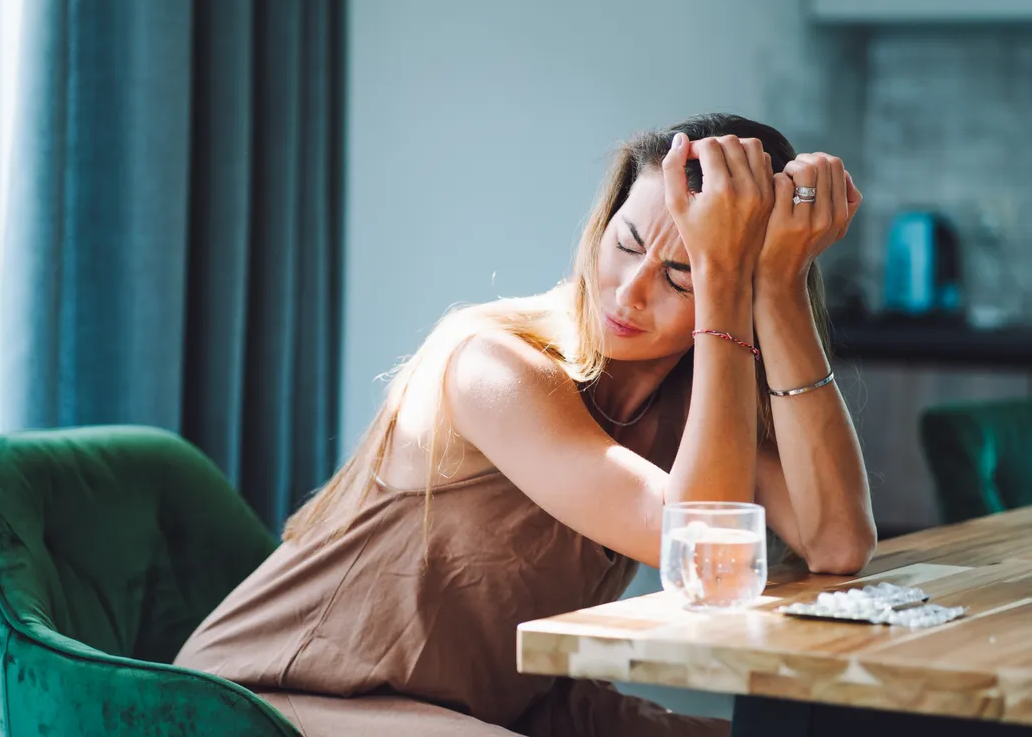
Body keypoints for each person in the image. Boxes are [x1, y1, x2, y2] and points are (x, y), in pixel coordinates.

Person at [174, 113, 877, 736]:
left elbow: (837, 542)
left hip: (495, 702)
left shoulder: (692, 405)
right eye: (627, 243)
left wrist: (779, 283)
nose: (630, 292)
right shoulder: (490, 363)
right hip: (265, 701)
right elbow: (704, 558)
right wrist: (720, 275)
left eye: (679, 276)